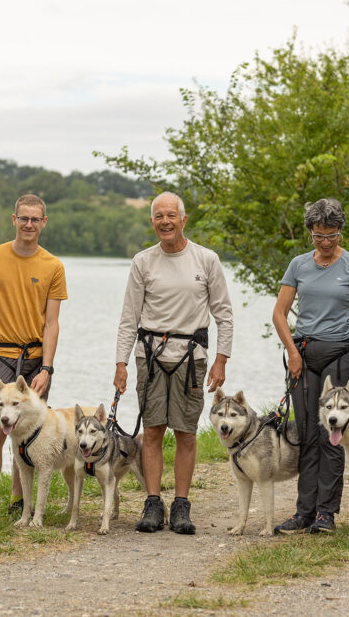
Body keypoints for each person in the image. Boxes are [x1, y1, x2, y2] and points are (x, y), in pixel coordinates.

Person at [114, 191, 233, 534]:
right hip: (149, 355)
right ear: (152, 222)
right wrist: (121, 363)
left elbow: (224, 315)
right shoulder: (143, 262)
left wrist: (221, 359)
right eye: (158, 216)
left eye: (171, 216)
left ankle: (181, 506)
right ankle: (153, 503)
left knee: (186, 431)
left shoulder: (206, 260)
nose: (165, 222)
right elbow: (128, 318)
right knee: (151, 430)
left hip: (190, 357)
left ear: (183, 220)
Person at [271, 198, 349, 535]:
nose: (326, 243)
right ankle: (304, 512)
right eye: (318, 236)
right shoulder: (298, 265)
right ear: (310, 233)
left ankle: (327, 513)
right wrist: (293, 353)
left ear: (341, 231)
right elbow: (279, 314)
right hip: (303, 355)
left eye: (332, 235)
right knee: (307, 433)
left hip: (340, 355)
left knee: (333, 435)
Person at [0, 194, 67, 522]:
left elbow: (51, 322)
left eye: (35, 219)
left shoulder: (53, 265)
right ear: (13, 219)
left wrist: (47, 368)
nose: (29, 224)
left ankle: (19, 501)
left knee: (27, 431)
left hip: (34, 361)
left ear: (44, 222)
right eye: (23, 218)